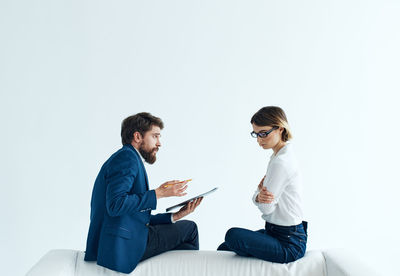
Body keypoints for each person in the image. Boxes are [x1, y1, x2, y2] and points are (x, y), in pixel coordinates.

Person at [84, 112, 202, 274]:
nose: (159, 143)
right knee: (190, 229)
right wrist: (159, 193)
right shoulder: (127, 158)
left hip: (123, 237)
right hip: (121, 245)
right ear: (138, 137)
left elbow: (133, 217)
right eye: (155, 136)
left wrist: (175, 216)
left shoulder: (128, 157)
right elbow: (115, 205)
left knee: (184, 225)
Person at [217, 106, 307, 263]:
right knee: (224, 248)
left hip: (288, 243)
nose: (259, 140)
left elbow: (267, 207)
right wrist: (259, 194)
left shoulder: (281, 162)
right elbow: (263, 199)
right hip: (277, 232)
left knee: (232, 235)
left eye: (263, 133)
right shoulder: (279, 155)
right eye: (256, 134)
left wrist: (258, 196)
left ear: (280, 128)